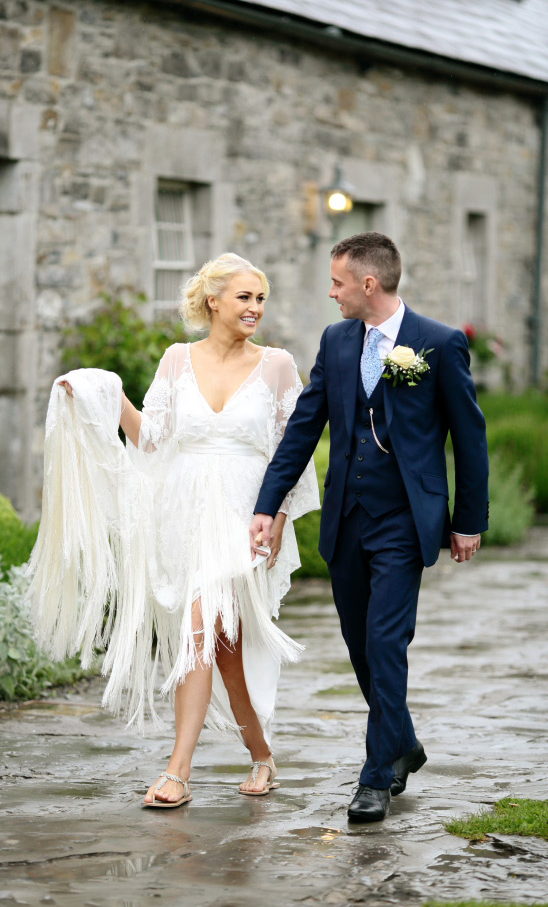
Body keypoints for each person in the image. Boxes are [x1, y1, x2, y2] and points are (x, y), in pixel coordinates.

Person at [28, 253, 319, 809]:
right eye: (244, 297)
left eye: (260, 298)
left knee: (198, 631)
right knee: (225, 650)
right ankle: (261, 755)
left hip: (244, 516)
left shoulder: (278, 365)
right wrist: (105, 396)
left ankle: (177, 771)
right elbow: (153, 440)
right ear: (213, 301)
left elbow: (295, 452)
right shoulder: (175, 359)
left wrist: (278, 519)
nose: (255, 307)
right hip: (183, 516)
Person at [250, 232, 489, 823]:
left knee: (386, 642)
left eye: (336, 283)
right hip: (347, 519)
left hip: (405, 520)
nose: (330, 293)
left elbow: (470, 436)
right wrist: (266, 503)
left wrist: (468, 521)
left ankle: (375, 776)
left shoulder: (438, 343)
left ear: (368, 284)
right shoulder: (335, 341)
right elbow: (304, 429)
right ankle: (404, 741)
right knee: (361, 646)